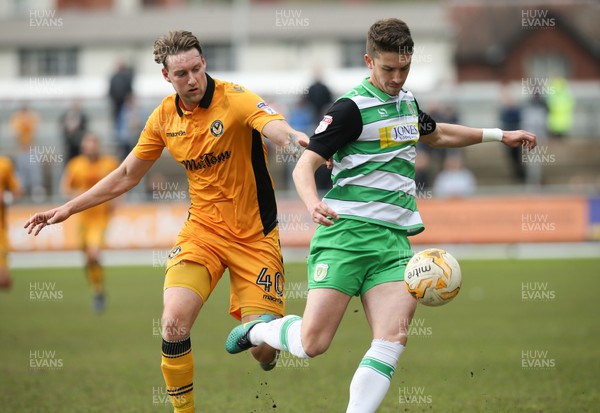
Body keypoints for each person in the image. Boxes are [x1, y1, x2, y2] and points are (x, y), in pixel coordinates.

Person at [226, 18, 536, 413]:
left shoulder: (407, 102)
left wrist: (498, 134)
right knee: (312, 344)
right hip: (346, 237)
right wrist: (311, 203)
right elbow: (304, 167)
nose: (396, 77)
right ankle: (260, 329)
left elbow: (436, 133)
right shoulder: (349, 109)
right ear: (368, 61)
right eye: (388, 69)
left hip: (393, 242)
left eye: (404, 68)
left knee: (393, 337)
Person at [25, 30, 309, 413]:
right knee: (173, 322)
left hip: (256, 238)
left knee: (261, 351)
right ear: (166, 77)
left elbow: (276, 129)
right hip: (202, 234)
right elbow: (127, 174)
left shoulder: (236, 98)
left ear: (204, 63)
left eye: (196, 69)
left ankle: (267, 348)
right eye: (181, 74)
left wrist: (296, 143)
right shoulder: (162, 117)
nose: (192, 79)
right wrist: (69, 208)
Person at [61, 133, 119, 312]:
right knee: (88, 258)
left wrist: (115, 203)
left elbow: (122, 183)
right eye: (88, 144)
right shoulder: (75, 165)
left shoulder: (109, 163)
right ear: (83, 147)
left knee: (93, 254)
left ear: (98, 145)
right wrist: (78, 197)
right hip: (82, 219)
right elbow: (66, 188)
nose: (91, 147)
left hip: (100, 219)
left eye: (94, 143)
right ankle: (98, 291)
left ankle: (98, 293)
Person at [10, 104, 45, 201]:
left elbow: (36, 129)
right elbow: (15, 133)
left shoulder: (32, 116)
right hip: (22, 150)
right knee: (22, 173)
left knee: (35, 172)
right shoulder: (17, 118)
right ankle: (22, 194)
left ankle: (36, 193)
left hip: (32, 149)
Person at [0, 156, 21, 290]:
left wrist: (5, 198)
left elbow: (16, 191)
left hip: (0, 230)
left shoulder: (4, 165)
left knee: (4, 281)